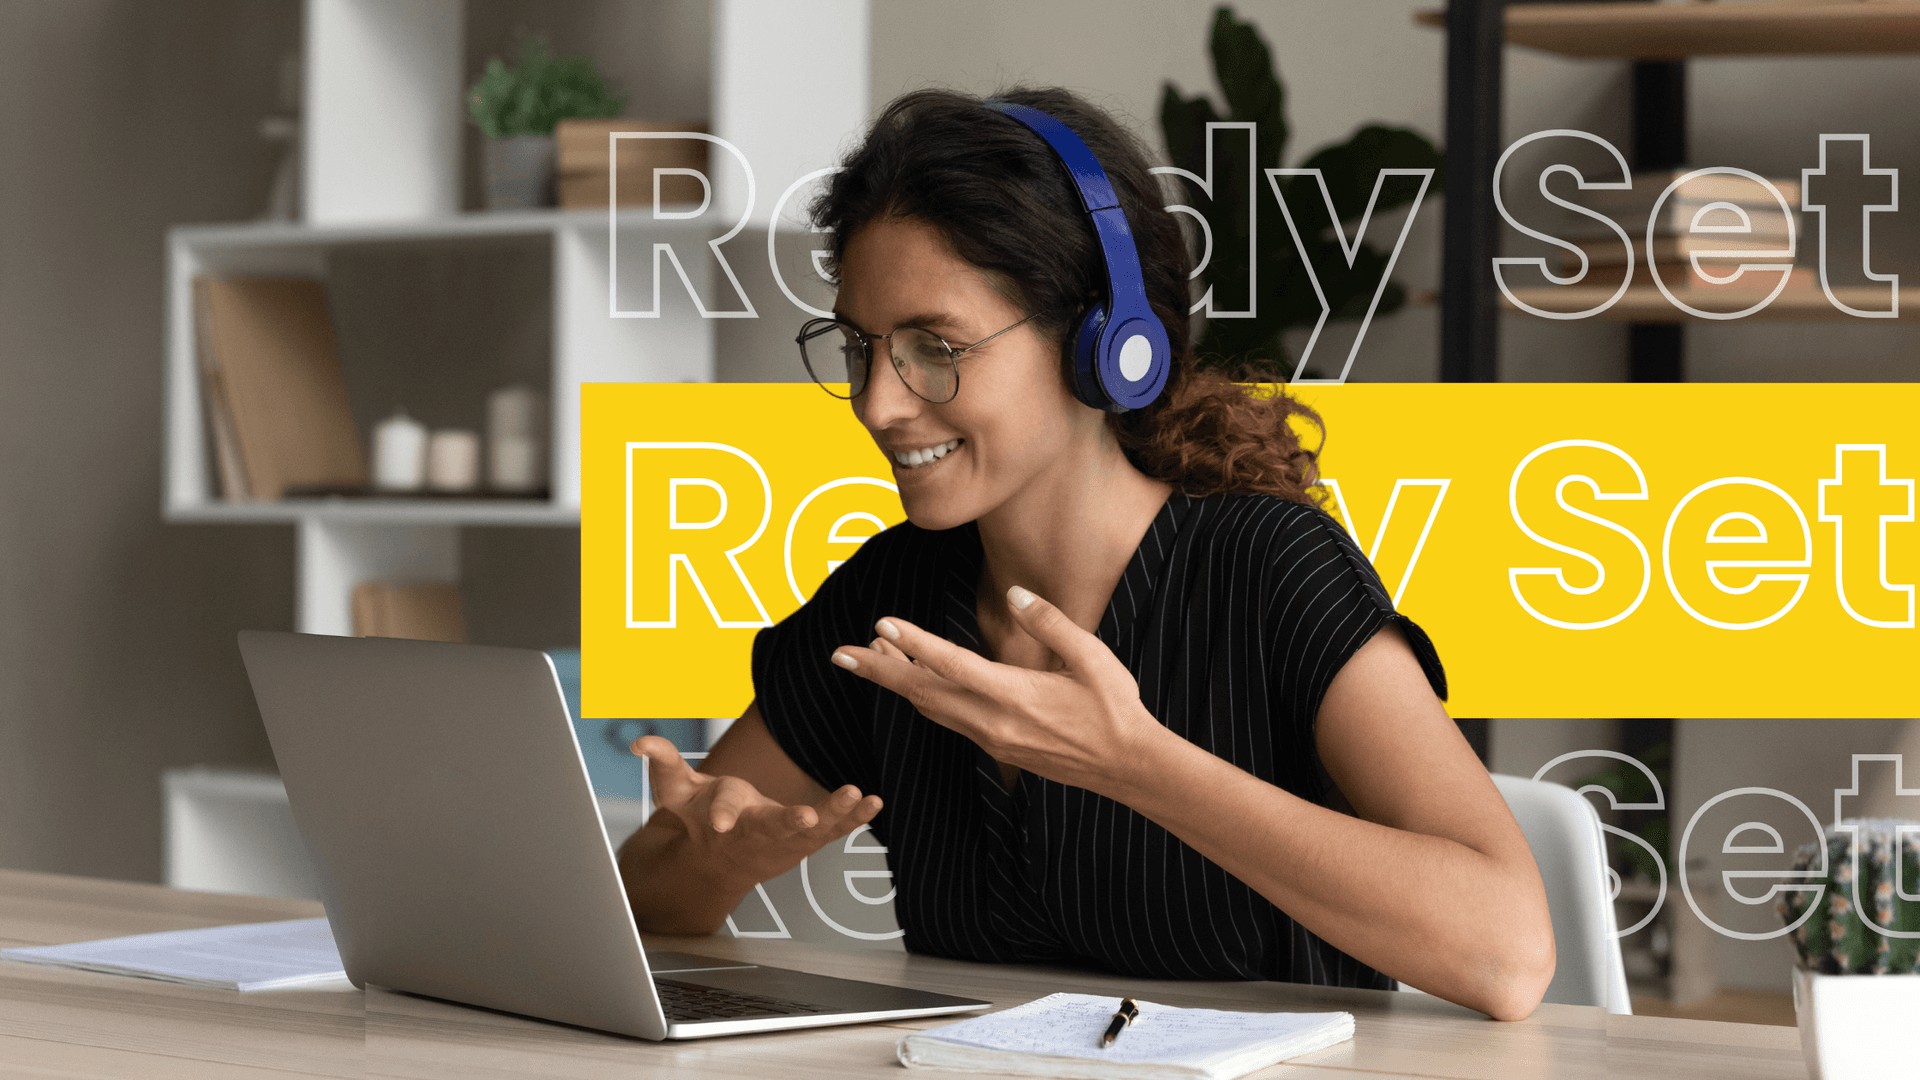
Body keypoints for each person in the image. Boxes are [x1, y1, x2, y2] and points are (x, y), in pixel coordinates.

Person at [618, 86, 1555, 1022]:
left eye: (933, 347)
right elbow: (644, 904)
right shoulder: (892, 597)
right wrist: (715, 859)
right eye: (861, 347)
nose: (877, 403)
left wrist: (1133, 761)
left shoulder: (1268, 569)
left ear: (1105, 342)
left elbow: (1508, 955)